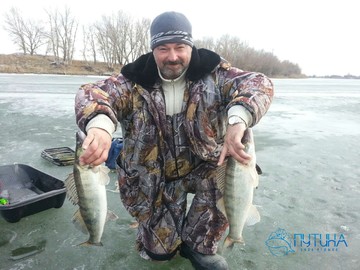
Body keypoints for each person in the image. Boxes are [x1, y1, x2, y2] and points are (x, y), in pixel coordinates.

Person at [75, 11, 273, 270]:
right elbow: (92, 93)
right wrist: (100, 126)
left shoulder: (215, 75)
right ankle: (160, 237)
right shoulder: (132, 81)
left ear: (190, 45)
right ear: (152, 50)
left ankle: (198, 244)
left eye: (180, 47)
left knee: (216, 190)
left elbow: (259, 84)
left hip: (206, 170)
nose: (172, 56)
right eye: (163, 48)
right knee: (159, 254)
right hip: (151, 178)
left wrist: (239, 119)